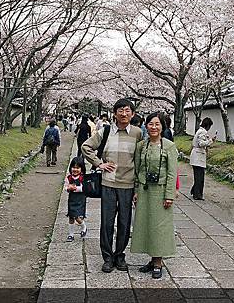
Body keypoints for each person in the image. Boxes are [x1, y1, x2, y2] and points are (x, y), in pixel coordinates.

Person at [82, 98, 142, 273]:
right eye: (120, 111)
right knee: (107, 222)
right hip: (108, 183)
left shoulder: (138, 133)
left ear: (133, 113)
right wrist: (99, 164)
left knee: (125, 222)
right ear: (114, 113)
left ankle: (119, 255)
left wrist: (137, 187)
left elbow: (139, 161)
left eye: (127, 111)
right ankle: (107, 257)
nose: (124, 114)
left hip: (128, 184)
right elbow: (86, 146)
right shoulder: (105, 131)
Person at [131, 113, 178, 279]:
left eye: (157, 124)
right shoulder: (141, 146)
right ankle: (152, 259)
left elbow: (172, 173)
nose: (154, 127)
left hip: (161, 190)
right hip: (144, 190)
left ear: (162, 127)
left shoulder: (169, 146)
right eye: (150, 124)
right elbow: (137, 170)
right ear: (146, 126)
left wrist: (169, 195)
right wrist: (136, 190)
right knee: (146, 224)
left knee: (159, 226)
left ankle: (158, 262)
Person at [189, 117, 215, 200]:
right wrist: (210, 141)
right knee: (199, 177)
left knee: (198, 176)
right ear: (207, 125)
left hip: (197, 156)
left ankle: (195, 191)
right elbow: (201, 143)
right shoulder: (202, 132)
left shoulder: (199, 131)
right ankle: (197, 194)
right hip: (198, 156)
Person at [64, 156, 88, 241]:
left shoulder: (82, 178)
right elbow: (66, 187)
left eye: (77, 168)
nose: (75, 169)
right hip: (72, 200)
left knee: (77, 217)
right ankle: (71, 234)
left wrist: (75, 188)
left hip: (80, 200)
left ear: (81, 169)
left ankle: (84, 226)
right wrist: (68, 188)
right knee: (71, 217)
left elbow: (84, 188)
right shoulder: (69, 177)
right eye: (73, 167)